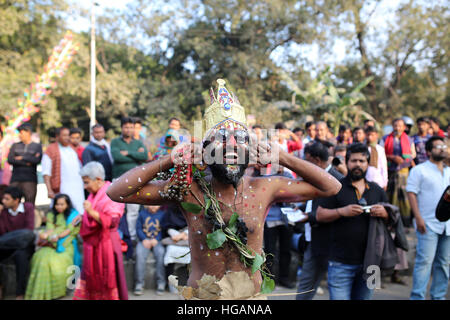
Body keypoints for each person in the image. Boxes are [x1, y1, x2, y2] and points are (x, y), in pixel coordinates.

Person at [107, 79, 341, 299]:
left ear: (250, 148)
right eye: (221, 138)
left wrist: (284, 158)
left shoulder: (265, 188)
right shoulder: (189, 190)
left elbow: (332, 187)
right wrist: (169, 160)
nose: (231, 144)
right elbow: (116, 192)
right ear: (205, 149)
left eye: (240, 139)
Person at [316, 143, 390, 300]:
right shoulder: (336, 187)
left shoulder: (377, 190)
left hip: (372, 264)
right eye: (354, 160)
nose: (358, 165)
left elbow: (391, 220)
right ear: (347, 162)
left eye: (362, 161)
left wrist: (385, 213)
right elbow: (319, 215)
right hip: (340, 263)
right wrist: (342, 211)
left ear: (368, 164)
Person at [73, 162, 128, 300]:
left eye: (86, 183)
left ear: (98, 180)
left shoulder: (112, 193)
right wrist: (83, 217)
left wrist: (90, 211)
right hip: (93, 246)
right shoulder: (94, 194)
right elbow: (93, 215)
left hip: (107, 244)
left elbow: (112, 221)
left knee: (108, 280)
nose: (85, 187)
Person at [296, 141, 344, 300]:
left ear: (316, 160)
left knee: (311, 285)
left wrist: (309, 216)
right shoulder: (317, 176)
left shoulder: (337, 180)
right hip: (313, 238)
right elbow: (315, 203)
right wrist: (302, 210)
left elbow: (332, 209)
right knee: (307, 284)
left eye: (306, 161)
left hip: (326, 240)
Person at [406, 136, 450, 300]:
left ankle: (438, 296)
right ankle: (417, 296)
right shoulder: (419, 170)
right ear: (429, 151)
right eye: (438, 146)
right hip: (427, 223)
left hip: (448, 226)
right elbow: (411, 193)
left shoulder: (449, 171)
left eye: (443, 146)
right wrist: (418, 218)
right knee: (424, 263)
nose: (442, 149)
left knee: (444, 264)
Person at [25, 194, 81, 300]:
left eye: (62, 204)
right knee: (39, 258)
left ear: (68, 204)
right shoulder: (51, 214)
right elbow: (49, 231)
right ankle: (40, 295)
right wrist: (51, 235)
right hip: (51, 244)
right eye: (57, 204)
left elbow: (70, 232)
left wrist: (55, 235)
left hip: (66, 245)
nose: (59, 207)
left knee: (54, 262)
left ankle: (55, 293)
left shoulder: (74, 215)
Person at [111, 117, 148, 242]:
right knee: (116, 210)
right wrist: (135, 155)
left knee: (133, 210)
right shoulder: (115, 142)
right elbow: (117, 157)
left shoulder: (138, 142)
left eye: (131, 127)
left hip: (133, 181)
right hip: (118, 179)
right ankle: (117, 237)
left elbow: (144, 156)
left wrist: (128, 153)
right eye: (126, 127)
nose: (128, 129)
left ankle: (132, 238)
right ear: (121, 128)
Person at [0, 186, 35, 299]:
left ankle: (20, 293)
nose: (3, 201)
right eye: (3, 199)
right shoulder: (3, 212)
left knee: (22, 254)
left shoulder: (28, 208)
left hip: (24, 245)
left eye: (7, 199)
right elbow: (3, 232)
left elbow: (29, 230)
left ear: (16, 200)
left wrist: (15, 238)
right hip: (7, 245)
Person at [263, 169, 295, 289]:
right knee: (270, 250)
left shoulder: (289, 176)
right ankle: (268, 279)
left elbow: (294, 193)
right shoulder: (268, 176)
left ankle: (284, 278)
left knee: (286, 250)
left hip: (288, 218)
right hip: (271, 218)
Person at [42, 127, 85, 215]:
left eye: (68, 135)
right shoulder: (51, 149)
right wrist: (49, 190)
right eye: (64, 135)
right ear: (57, 136)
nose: (67, 138)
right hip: (61, 189)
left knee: (79, 212)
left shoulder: (72, 149)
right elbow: (46, 173)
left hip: (78, 188)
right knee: (62, 213)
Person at [382, 118, 416, 227]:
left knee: (405, 197)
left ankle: (406, 223)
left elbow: (413, 154)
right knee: (392, 197)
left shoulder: (409, 139)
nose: (398, 128)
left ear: (404, 127)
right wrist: (392, 157)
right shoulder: (385, 138)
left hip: (404, 171)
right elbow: (381, 152)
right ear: (392, 126)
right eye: (395, 125)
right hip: (390, 171)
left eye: (400, 126)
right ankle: (392, 222)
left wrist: (405, 158)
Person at [134, 205, 166, 296]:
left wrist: (157, 239)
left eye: (156, 205)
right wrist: (144, 239)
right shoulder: (142, 214)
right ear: (146, 205)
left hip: (157, 241)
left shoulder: (163, 214)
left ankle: (161, 282)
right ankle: (139, 283)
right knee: (139, 254)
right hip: (144, 241)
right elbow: (138, 228)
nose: (153, 207)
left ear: (160, 205)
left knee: (160, 253)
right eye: (151, 205)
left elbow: (163, 229)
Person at [7, 123, 42, 204]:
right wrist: (28, 162)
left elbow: (37, 160)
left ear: (28, 133)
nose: (19, 135)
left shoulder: (37, 146)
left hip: (30, 180)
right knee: (12, 203)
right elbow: (10, 160)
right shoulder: (15, 146)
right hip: (15, 179)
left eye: (21, 133)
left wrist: (22, 157)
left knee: (29, 204)